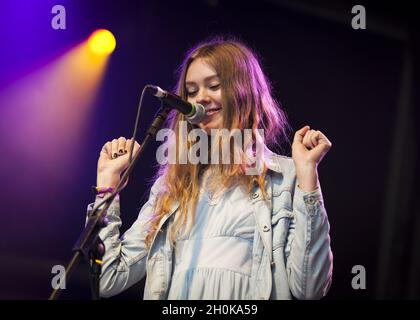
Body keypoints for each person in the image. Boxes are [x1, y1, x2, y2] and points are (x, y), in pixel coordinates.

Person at [88, 37, 333, 300]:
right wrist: (107, 186)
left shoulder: (283, 178)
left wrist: (308, 177)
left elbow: (309, 288)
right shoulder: (171, 188)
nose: (200, 99)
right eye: (191, 92)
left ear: (245, 92)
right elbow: (107, 278)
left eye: (214, 86)